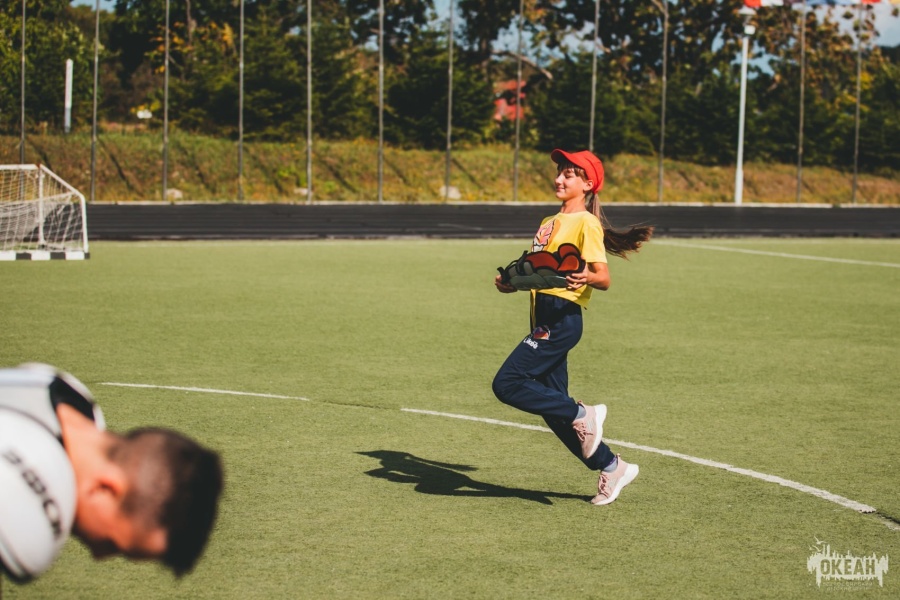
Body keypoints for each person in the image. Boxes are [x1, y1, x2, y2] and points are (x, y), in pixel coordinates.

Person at [492, 149, 653, 506]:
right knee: (554, 412)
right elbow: (541, 269)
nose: (559, 179)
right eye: (560, 173)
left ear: (588, 184)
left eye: (569, 174)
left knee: (507, 384)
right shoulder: (549, 220)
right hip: (542, 315)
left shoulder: (586, 223)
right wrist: (513, 283)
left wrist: (587, 277)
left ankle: (585, 413)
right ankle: (612, 466)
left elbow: (603, 277)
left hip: (561, 319)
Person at [0, 363, 223, 582]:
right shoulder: (24, 513)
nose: (98, 556)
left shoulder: (72, 397)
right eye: (112, 545)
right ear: (106, 488)